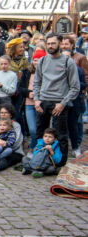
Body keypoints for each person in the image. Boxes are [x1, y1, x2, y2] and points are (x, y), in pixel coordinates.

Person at [33, 34, 79, 167]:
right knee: (40, 133)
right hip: (43, 101)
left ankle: (60, 163)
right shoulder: (42, 61)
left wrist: (63, 103)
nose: (50, 46)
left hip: (59, 102)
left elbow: (75, 87)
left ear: (59, 43)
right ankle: (39, 160)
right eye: (48, 44)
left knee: (61, 135)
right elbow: (37, 83)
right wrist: (36, 100)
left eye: (53, 43)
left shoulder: (67, 62)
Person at [19, 49, 46, 154]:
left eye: (39, 60)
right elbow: (20, 88)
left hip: (42, 104)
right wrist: (28, 93)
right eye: (35, 60)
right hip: (29, 104)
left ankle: (37, 147)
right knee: (32, 129)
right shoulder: (27, 72)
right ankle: (34, 146)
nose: (37, 62)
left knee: (41, 128)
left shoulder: (47, 73)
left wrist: (38, 95)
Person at [61, 49, 86, 158]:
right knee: (59, 126)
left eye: (68, 57)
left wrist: (74, 83)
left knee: (74, 126)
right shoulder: (58, 70)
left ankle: (75, 147)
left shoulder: (78, 70)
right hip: (60, 101)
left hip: (75, 102)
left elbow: (84, 84)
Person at [0, 55, 18, 125]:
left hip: (6, 98)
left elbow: (12, 91)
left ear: (9, 64)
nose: (3, 66)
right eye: (1, 64)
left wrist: (2, 86)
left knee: (6, 119)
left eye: (5, 64)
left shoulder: (13, 75)